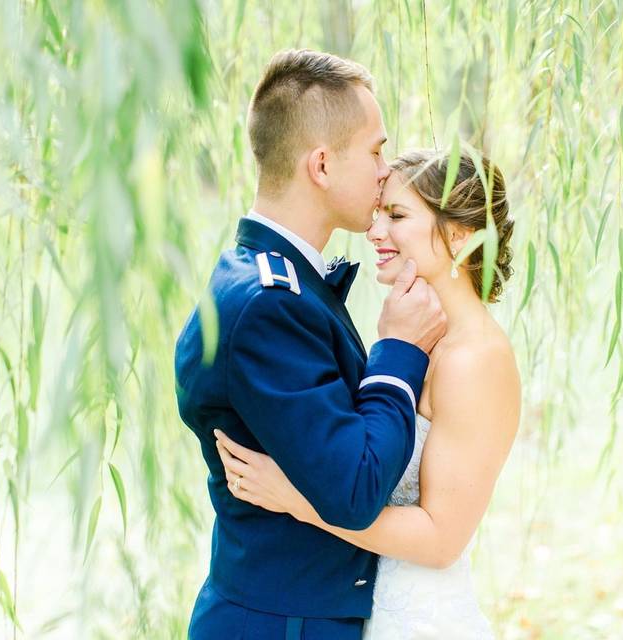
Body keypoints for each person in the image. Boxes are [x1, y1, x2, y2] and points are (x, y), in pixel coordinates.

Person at [174, 49, 448, 639]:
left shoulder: (267, 279)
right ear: (321, 165)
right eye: (375, 150)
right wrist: (399, 351)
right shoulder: (268, 303)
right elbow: (354, 488)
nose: (385, 170)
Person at [215, 149, 521, 638]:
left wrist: (296, 499)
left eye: (397, 216)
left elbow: (442, 539)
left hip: (422, 620)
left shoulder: (476, 360)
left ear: (461, 234)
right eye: (378, 213)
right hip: (363, 607)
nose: (375, 231)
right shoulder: (418, 341)